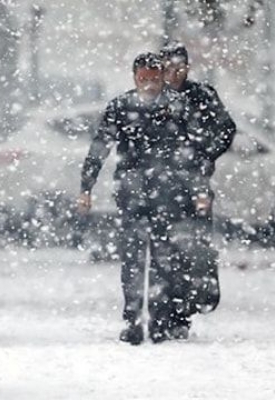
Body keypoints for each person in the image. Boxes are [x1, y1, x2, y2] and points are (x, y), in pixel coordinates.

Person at [77, 52, 192, 345]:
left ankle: (159, 319)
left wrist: (195, 189)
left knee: (164, 259)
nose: (149, 84)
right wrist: (86, 187)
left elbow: (191, 152)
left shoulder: (176, 107)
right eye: (144, 79)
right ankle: (134, 319)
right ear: (135, 78)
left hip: (167, 194)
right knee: (133, 259)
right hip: (134, 193)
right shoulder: (121, 106)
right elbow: (100, 146)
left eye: (154, 78)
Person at [158, 42, 237, 328]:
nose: (174, 74)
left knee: (196, 247)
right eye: (168, 68)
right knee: (162, 246)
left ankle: (190, 303)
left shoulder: (202, 95)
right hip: (159, 186)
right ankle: (167, 306)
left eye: (179, 68)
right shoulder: (152, 98)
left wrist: (205, 153)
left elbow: (226, 128)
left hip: (194, 184)